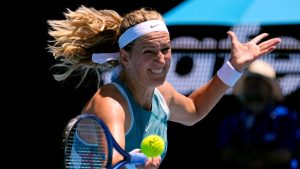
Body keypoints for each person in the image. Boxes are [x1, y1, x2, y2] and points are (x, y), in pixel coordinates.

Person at [47, 5, 282, 169]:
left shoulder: (162, 92)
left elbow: (193, 109)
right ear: (125, 58)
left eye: (166, 50)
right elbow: (115, 162)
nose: (161, 60)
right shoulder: (110, 105)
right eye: (149, 51)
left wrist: (234, 66)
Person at [217, 60, 298, 169]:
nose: (253, 86)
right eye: (249, 81)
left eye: (258, 81)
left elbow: (285, 154)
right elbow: (226, 154)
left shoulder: (286, 118)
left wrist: (260, 160)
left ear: (270, 89)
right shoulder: (231, 121)